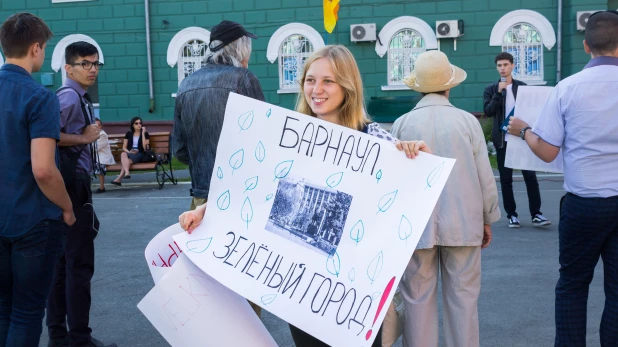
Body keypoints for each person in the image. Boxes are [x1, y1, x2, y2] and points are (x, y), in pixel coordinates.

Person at [178, 45, 430, 347]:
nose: (317, 89)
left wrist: (415, 157)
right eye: (310, 80)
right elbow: (251, 186)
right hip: (303, 291)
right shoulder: (288, 136)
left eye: (328, 81)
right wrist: (205, 210)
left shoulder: (373, 139)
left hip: (351, 292)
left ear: (347, 86)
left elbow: (410, 192)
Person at [507, 11, 618, 346]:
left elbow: (548, 152)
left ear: (586, 46)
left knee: (572, 285)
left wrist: (523, 130)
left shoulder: (567, 89)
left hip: (583, 203)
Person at [390, 50, 500, 347]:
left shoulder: (401, 125)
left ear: (419, 87)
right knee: (464, 300)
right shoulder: (467, 122)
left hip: (416, 227)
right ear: (449, 86)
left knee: (416, 299)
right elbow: (484, 178)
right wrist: (487, 218)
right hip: (464, 223)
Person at [0, 13, 75, 347]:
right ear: (35, 48)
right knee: (27, 312)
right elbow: (43, 169)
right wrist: (68, 207)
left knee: (3, 308)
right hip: (33, 221)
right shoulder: (39, 96)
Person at [46, 41, 116, 347]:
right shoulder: (69, 97)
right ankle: (78, 339)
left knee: (63, 264)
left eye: (95, 64)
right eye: (85, 64)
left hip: (73, 183)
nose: (92, 70)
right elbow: (46, 134)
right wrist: (83, 136)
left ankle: (61, 337)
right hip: (73, 185)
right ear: (68, 68)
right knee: (78, 266)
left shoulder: (77, 97)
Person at [172, 20, 264, 210]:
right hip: (242, 195)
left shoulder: (186, 84)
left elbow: (180, 150)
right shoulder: (244, 79)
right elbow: (262, 141)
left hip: (201, 197)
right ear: (241, 50)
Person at [483, 52, 550, 228]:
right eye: (499, 65)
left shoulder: (522, 87)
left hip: (522, 138)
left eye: (505, 64)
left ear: (512, 66)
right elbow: (488, 111)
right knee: (506, 180)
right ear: (497, 68)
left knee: (530, 177)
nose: (502, 68)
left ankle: (536, 214)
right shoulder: (491, 89)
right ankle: (512, 215)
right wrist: (498, 93)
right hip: (503, 140)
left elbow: (532, 109)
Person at [111, 117, 149, 186]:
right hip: (130, 153)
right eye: (136, 123)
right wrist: (129, 151)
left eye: (140, 123)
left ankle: (121, 177)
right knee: (123, 155)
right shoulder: (129, 134)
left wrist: (143, 134)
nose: (139, 125)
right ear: (133, 125)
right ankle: (125, 174)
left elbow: (145, 148)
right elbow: (124, 148)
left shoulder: (145, 134)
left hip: (140, 154)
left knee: (125, 161)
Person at [93, 118, 115, 193]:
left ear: (101, 126)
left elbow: (96, 148)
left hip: (104, 157)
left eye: (99, 125)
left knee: (99, 164)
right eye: (95, 125)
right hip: (96, 156)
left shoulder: (103, 135)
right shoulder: (92, 134)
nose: (97, 126)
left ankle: (102, 187)